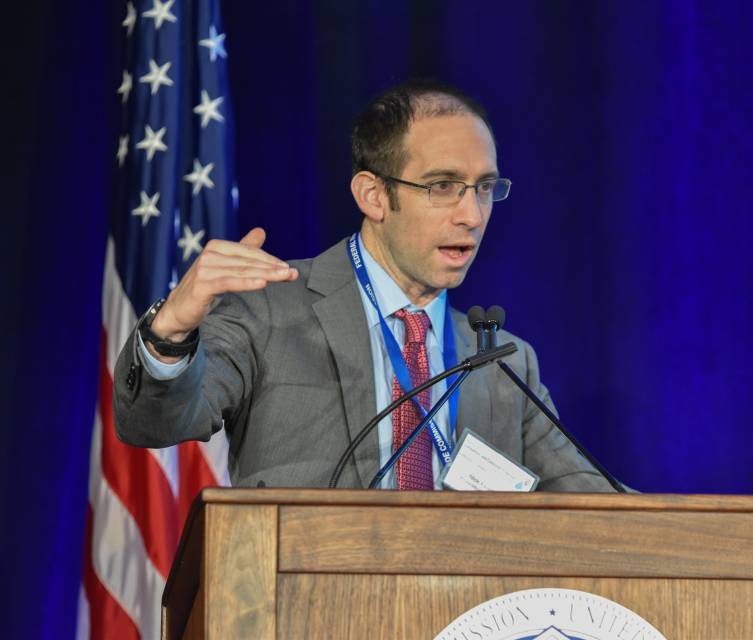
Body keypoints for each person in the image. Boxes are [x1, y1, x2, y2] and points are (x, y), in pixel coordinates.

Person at [113, 80, 612, 492]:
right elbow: (154, 424)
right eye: (443, 187)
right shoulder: (268, 311)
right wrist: (171, 328)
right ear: (374, 195)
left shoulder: (504, 361)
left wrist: (687, 534)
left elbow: (597, 505)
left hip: (461, 610)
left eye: (484, 188)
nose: (472, 215)